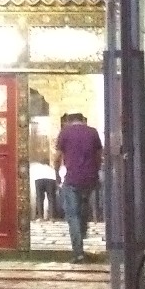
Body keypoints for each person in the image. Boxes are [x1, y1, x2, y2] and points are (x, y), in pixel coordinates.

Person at [51, 113, 103, 263]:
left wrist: (57, 174)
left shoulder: (65, 132)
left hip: (72, 179)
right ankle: (83, 233)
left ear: (68, 121)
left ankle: (78, 252)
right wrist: (95, 171)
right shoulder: (93, 132)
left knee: (72, 214)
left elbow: (57, 157)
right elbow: (99, 155)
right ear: (83, 120)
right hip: (90, 179)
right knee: (83, 207)